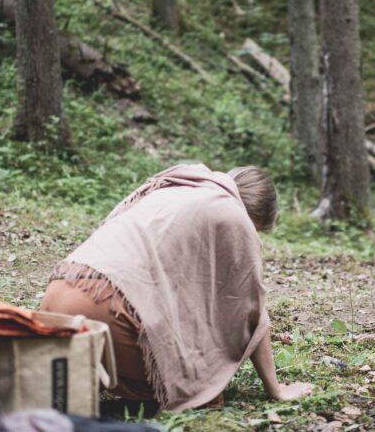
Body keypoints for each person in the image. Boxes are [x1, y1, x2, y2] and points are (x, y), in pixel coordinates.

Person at [41, 163, 314, 411]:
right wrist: (276, 389)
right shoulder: (232, 216)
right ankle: (99, 376)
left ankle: (77, 371)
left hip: (57, 295)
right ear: (256, 217)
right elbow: (251, 310)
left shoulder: (176, 186)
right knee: (201, 392)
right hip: (105, 309)